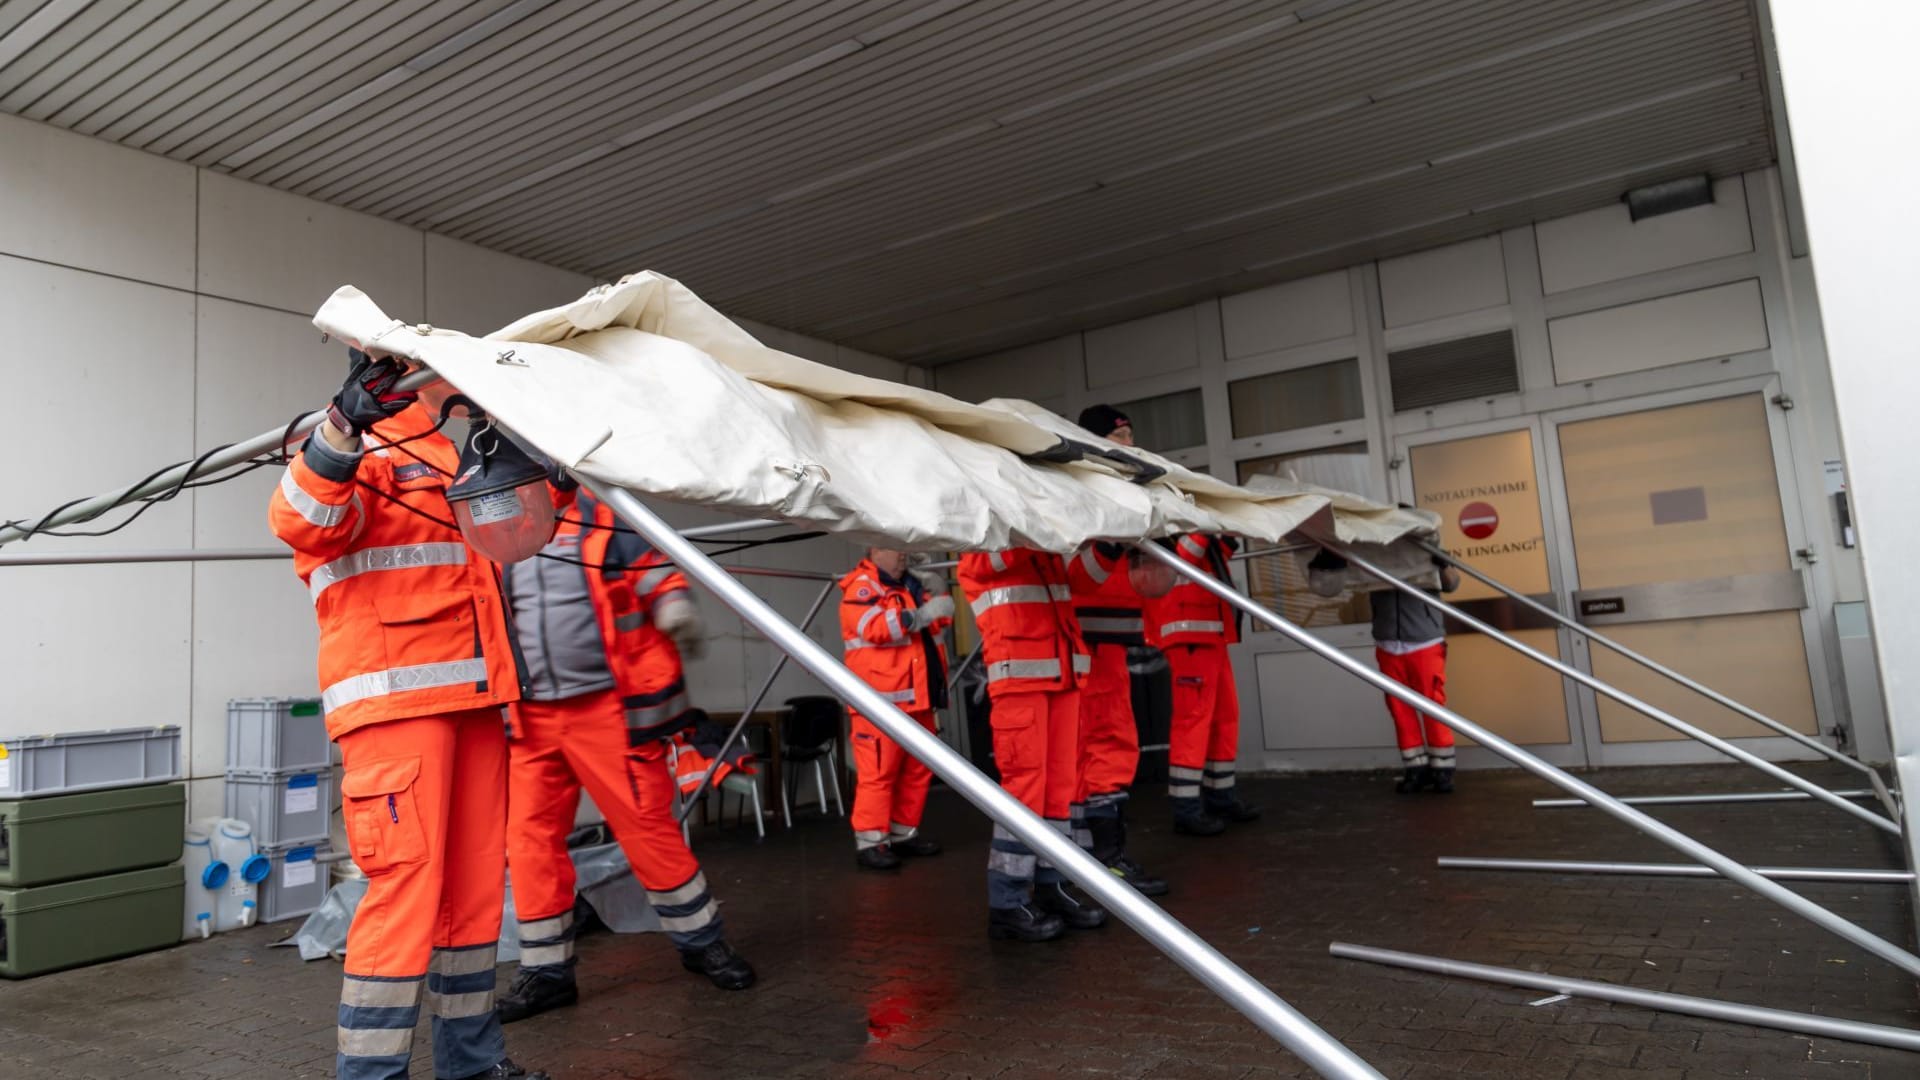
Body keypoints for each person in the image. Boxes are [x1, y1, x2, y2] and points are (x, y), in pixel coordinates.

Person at [270, 351, 551, 1080]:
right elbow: (299, 521)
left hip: (476, 700)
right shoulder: (350, 445)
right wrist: (338, 428)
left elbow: (505, 545)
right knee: (405, 894)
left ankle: (472, 1064)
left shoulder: (446, 451)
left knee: (474, 893)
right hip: (395, 706)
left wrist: (544, 482)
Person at [494, 490, 755, 1024]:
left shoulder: (605, 514)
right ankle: (547, 972)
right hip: (530, 715)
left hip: (609, 710)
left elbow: (654, 567)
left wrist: (672, 605)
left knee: (647, 829)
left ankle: (700, 941)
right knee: (528, 845)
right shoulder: (501, 523)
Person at [958, 548, 1107, 941]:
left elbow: (1081, 580)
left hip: (1062, 674)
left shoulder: (1043, 546)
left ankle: (1050, 884)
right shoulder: (983, 542)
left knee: (1059, 792)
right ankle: (1007, 902)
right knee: (1025, 790)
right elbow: (989, 562)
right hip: (1019, 679)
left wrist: (1109, 549)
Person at [1070, 405, 1167, 895]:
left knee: (1111, 746)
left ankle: (1100, 857)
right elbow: (1084, 573)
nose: (1131, 442)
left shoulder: (1124, 488)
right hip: (1091, 640)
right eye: (1122, 434)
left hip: (1112, 638)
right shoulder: (1092, 489)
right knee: (1102, 747)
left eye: (1131, 432)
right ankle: (1102, 861)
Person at [1311, 548, 1463, 793]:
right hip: (1388, 642)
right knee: (1399, 708)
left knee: (1432, 705)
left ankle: (1443, 770)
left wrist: (1443, 564)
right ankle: (1416, 769)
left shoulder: (1423, 549)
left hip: (1424, 640)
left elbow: (1452, 584)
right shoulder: (1374, 554)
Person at [838, 548, 953, 870]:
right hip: (880, 706)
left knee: (916, 772)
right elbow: (874, 627)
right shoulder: (862, 586)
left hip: (918, 700)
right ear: (874, 551)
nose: (903, 556)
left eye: (905, 548)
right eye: (895, 549)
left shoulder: (909, 587)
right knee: (878, 775)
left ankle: (903, 834)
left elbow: (942, 619)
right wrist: (923, 613)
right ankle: (871, 842)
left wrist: (937, 589)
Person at [1143, 532, 1262, 835]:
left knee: (1225, 719)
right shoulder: (1169, 527)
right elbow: (1182, 558)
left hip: (1212, 636)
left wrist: (1228, 532)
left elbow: (1213, 556)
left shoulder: (1195, 530)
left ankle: (1220, 795)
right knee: (1192, 723)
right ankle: (1186, 808)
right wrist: (1203, 525)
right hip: (1189, 639)